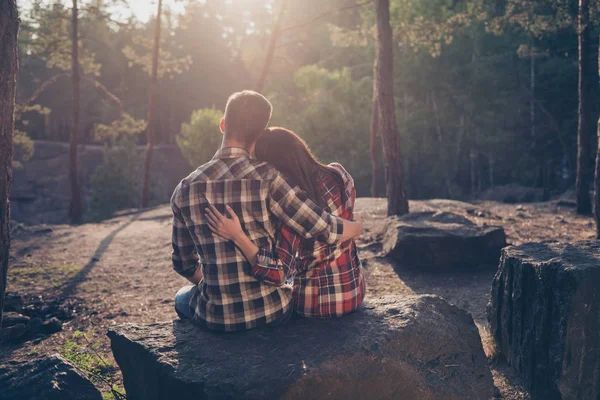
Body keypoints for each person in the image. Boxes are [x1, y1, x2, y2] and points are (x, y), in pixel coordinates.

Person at [171, 91, 363, 332]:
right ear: (260, 135)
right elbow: (322, 227)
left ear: (222, 125)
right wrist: (356, 227)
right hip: (272, 311)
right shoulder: (270, 179)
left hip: (215, 317)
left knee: (181, 298)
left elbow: (183, 264)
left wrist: (217, 287)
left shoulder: (185, 188)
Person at [205, 127, 366, 318]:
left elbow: (278, 274)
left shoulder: (293, 205)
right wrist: (356, 228)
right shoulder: (339, 174)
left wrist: (238, 237)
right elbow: (348, 217)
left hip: (316, 304)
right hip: (354, 290)